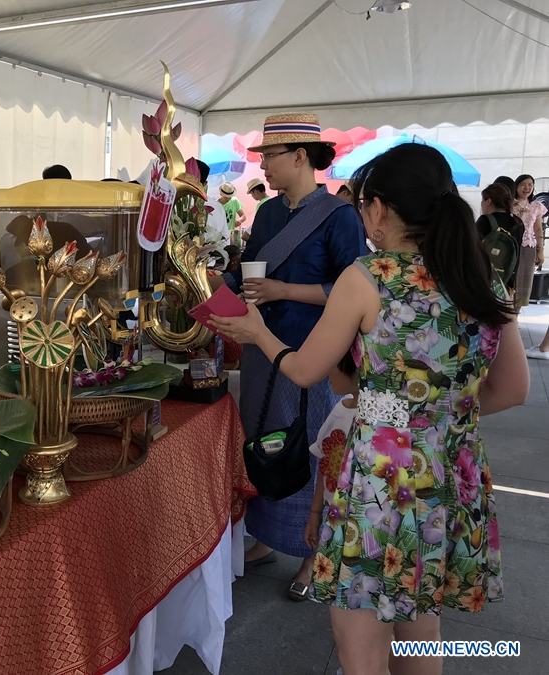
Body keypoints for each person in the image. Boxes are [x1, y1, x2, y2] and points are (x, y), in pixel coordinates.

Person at [210, 142, 529, 675]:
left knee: (361, 649)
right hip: (453, 476)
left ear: (378, 209)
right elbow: (512, 389)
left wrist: (256, 332)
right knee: (421, 634)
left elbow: (305, 370)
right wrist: (431, 418)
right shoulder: (482, 278)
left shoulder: (369, 276)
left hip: (382, 483)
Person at [209, 113, 367, 600]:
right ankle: (264, 538)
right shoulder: (268, 213)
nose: (263, 167)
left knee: (307, 445)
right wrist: (213, 285)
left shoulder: (339, 217)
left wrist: (284, 290)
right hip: (260, 346)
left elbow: (354, 288)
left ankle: (310, 556)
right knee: (262, 439)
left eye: (269, 157)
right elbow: (249, 271)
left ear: (300, 156)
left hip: (311, 350)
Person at [304, 351, 357, 552]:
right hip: (334, 514)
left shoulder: (372, 425)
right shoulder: (339, 412)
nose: (328, 373)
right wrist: (315, 512)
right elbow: (326, 465)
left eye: (333, 364)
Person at [476, 183, 524, 291]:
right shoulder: (518, 222)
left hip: (485, 278)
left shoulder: (485, 220)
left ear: (488, 201)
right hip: (507, 279)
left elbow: (473, 248)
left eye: (482, 200)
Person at [511, 174, 548, 310]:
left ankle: (516, 313)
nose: (527, 188)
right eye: (523, 185)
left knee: (524, 280)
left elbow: (538, 229)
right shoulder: (509, 203)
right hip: (512, 246)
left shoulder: (536, 205)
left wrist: (541, 250)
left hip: (529, 247)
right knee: (511, 278)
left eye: (530, 185)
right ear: (516, 187)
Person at [242, 179, 270, 243]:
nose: (252, 196)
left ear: (256, 191)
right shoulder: (272, 200)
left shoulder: (261, 204)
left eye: (251, 194)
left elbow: (259, 222)